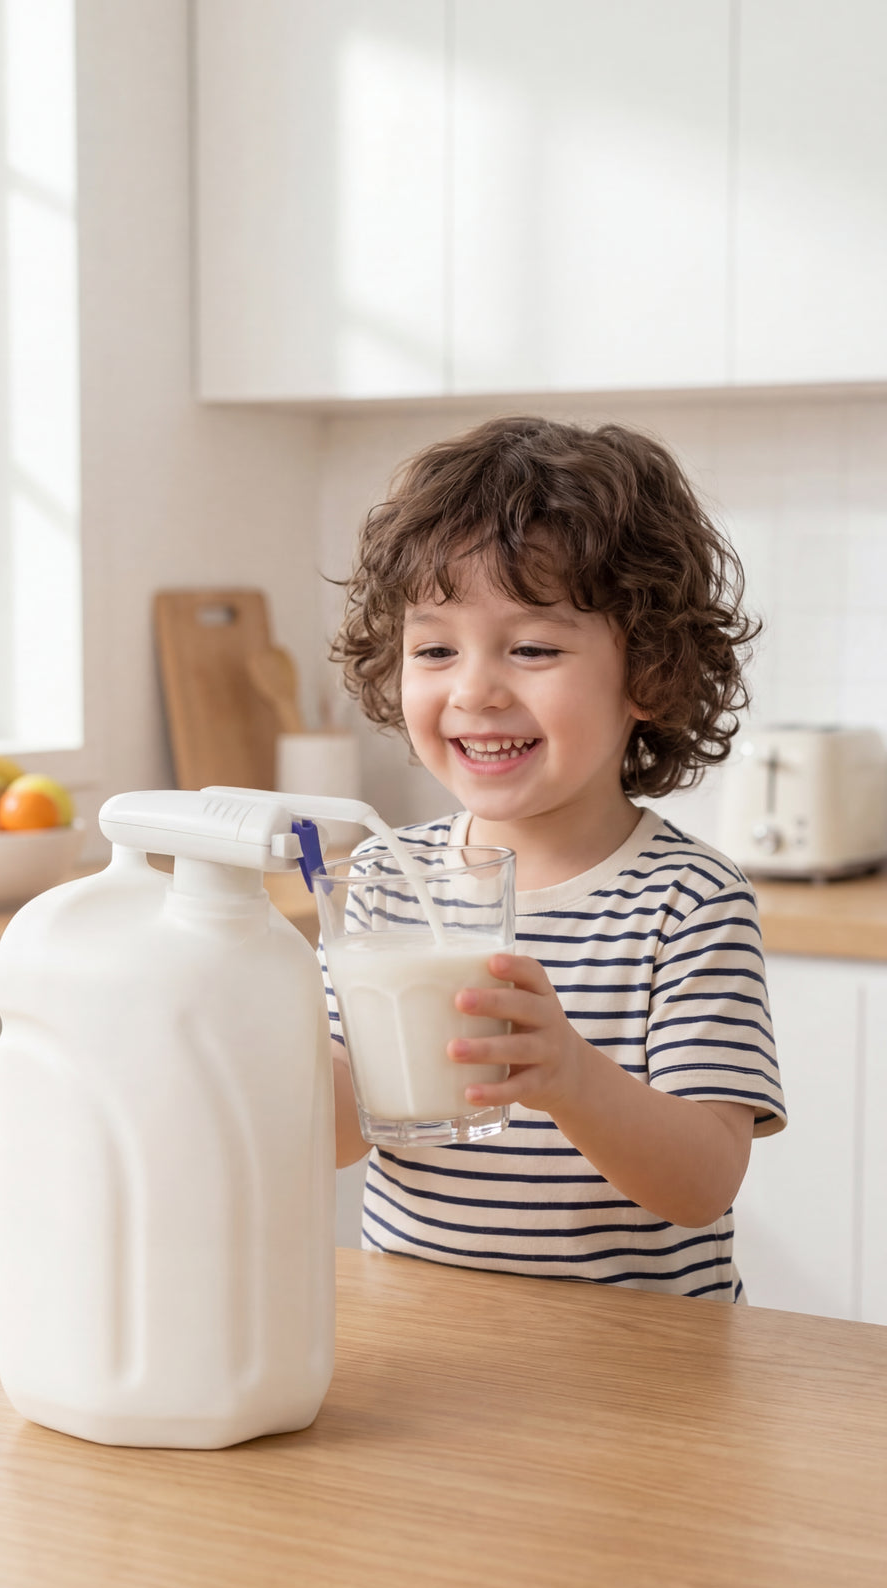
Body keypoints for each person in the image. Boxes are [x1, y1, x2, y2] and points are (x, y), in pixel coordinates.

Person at [322, 415, 786, 1301]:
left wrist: (569, 1074)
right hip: (432, 1351)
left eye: (532, 647)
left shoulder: (687, 902)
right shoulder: (383, 880)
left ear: (648, 673)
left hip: (642, 1376)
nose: (474, 690)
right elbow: (339, 1137)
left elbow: (702, 1185)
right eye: (434, 648)